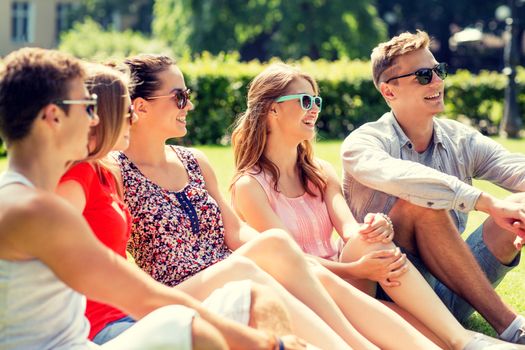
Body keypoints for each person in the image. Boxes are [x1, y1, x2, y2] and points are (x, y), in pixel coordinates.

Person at [118, 53, 517, 350]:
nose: (189, 103)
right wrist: (356, 264)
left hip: (276, 268)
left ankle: (457, 339)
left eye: (316, 102)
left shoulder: (195, 160)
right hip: (187, 285)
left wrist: (372, 231)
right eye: (179, 96)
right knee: (278, 251)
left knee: (307, 249)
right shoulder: (120, 171)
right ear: (140, 106)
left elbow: (238, 235)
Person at [0, 47, 305, 350]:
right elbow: (141, 296)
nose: (96, 121)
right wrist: (269, 344)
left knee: (256, 299)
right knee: (192, 332)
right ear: (53, 117)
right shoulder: (34, 210)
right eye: (88, 108)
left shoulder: (31, 200)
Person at [229, 62, 520, 350]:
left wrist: (377, 225)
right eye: (305, 100)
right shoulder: (250, 187)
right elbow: (289, 260)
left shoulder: (320, 172)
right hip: (305, 293)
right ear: (272, 109)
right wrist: (356, 268)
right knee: (430, 340)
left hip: (351, 283)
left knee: (368, 240)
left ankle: (467, 340)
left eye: (316, 100)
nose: (315, 108)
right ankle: (468, 340)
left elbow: (348, 229)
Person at [341, 30, 525, 344]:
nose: (437, 82)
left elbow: (514, 168)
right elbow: (404, 178)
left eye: (438, 71)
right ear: (389, 91)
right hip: (397, 299)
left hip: (456, 289)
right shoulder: (363, 143)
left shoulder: (459, 139)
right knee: (420, 204)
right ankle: (512, 327)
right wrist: (486, 202)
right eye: (424, 76)